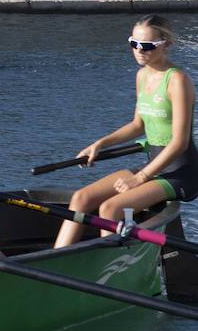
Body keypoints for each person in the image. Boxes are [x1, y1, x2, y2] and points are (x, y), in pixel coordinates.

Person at [55, 15, 198, 247]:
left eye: (148, 46)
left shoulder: (178, 80)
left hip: (180, 171)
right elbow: (137, 125)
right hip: (153, 164)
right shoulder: (142, 75)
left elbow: (179, 142)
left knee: (111, 208)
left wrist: (140, 178)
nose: (139, 51)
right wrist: (99, 144)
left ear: (166, 45)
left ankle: (110, 270)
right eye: (134, 44)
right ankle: (55, 261)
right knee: (80, 199)